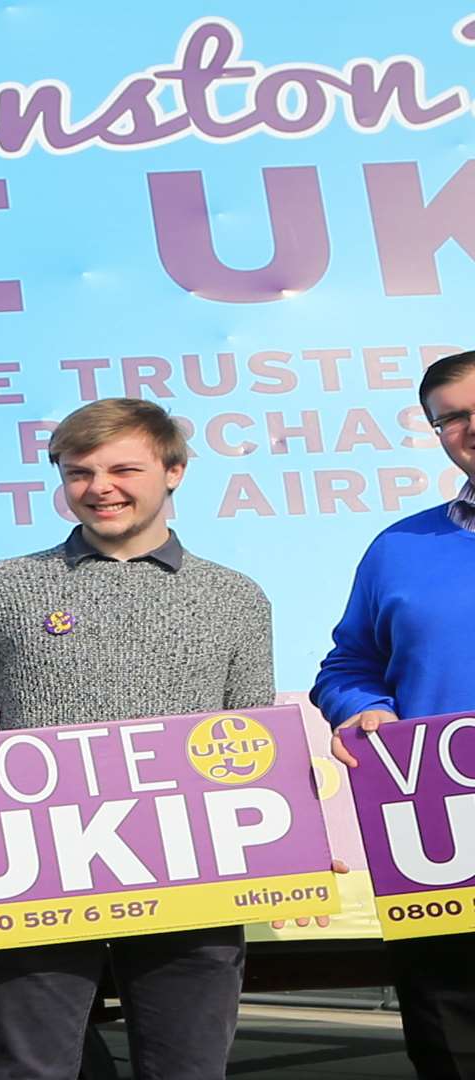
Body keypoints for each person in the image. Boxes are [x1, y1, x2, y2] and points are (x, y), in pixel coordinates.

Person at [0, 398, 274, 1080]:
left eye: (124, 468)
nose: (100, 487)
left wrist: (286, 845)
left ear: (175, 471)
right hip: (38, 865)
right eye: (78, 472)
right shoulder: (2, 587)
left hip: (190, 867)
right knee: (29, 1068)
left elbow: (251, 733)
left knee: (188, 1068)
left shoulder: (236, 597)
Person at [313, 348, 475, 1080]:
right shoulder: (399, 548)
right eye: (454, 418)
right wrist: (363, 712)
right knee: (453, 1046)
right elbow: (348, 666)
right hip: (441, 842)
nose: (471, 428)